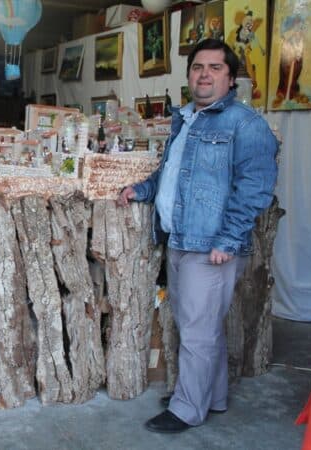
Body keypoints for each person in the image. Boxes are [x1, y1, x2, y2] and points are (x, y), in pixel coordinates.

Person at [116, 39, 278, 433]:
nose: (204, 74)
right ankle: (213, 395)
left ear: (230, 76)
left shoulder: (245, 124)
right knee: (201, 328)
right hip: (179, 237)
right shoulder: (186, 118)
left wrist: (228, 238)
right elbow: (172, 175)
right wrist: (142, 190)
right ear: (190, 74)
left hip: (211, 244)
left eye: (215, 68)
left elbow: (256, 187)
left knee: (197, 332)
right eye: (198, 67)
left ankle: (188, 409)